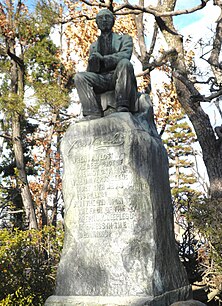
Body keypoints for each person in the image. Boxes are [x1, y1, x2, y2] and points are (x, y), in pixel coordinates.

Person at [74, 9, 138, 119]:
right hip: (101, 79)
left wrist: (103, 59)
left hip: (118, 75)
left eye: (107, 17)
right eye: (100, 18)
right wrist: (93, 62)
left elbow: (125, 55)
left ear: (113, 21)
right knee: (79, 77)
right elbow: (91, 71)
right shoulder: (93, 46)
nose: (104, 20)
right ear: (97, 23)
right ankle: (92, 111)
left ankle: (123, 104)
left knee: (125, 63)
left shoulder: (125, 39)